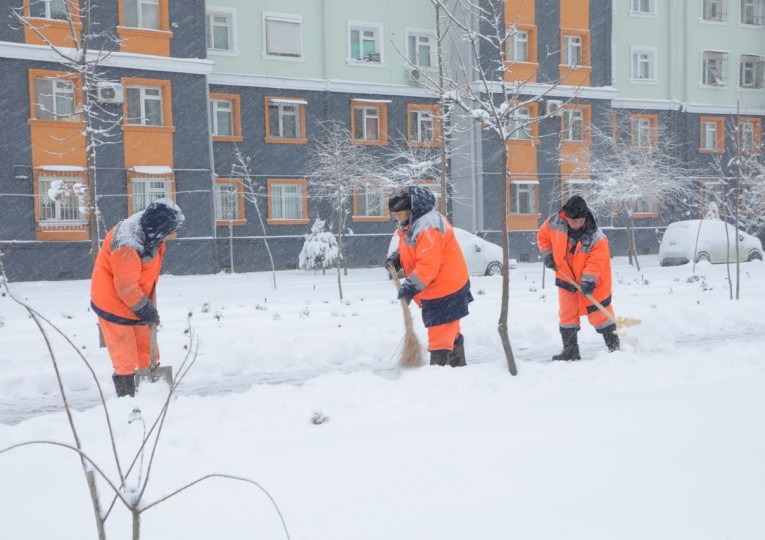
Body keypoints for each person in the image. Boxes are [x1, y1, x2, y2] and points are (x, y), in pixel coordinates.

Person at [91, 199, 185, 397]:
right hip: (113, 303)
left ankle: (151, 392)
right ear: (157, 228)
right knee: (124, 357)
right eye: (167, 232)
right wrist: (146, 310)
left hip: (137, 298)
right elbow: (125, 288)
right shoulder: (127, 245)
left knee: (147, 351)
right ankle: (127, 399)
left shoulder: (147, 230)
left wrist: (145, 306)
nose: (168, 237)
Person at [386, 185, 473, 367]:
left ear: (412, 208)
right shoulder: (414, 223)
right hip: (440, 288)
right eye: (395, 214)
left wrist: (411, 286)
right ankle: (458, 369)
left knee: (440, 336)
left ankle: (438, 374)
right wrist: (398, 258)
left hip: (445, 290)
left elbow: (428, 265)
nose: (398, 218)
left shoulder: (428, 228)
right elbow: (410, 247)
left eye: (400, 213)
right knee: (450, 331)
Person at [537, 195, 619, 360]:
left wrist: (588, 281)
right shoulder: (554, 222)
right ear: (566, 216)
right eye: (572, 221)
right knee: (567, 315)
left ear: (585, 217)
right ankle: (570, 351)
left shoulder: (597, 238)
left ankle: (614, 348)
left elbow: (596, 263)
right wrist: (548, 256)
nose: (575, 224)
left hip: (594, 282)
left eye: (579, 221)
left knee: (600, 314)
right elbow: (542, 237)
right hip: (566, 277)